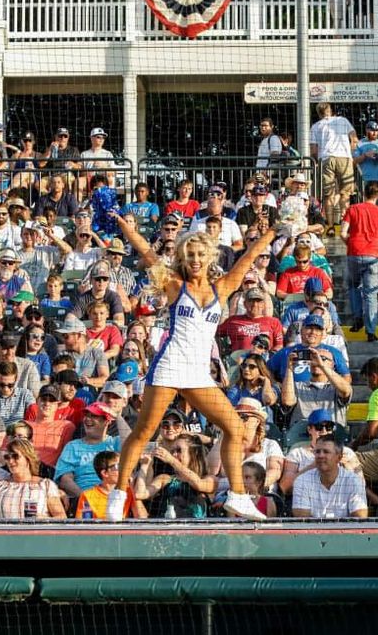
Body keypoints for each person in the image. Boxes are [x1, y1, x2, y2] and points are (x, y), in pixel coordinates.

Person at [104, 208, 278, 522]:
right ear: (184, 256)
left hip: (199, 375)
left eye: (201, 253)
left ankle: (237, 496)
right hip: (169, 367)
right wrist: (124, 226)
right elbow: (145, 250)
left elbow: (247, 259)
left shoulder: (222, 288)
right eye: (191, 254)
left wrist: (270, 233)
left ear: (209, 255)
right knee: (143, 431)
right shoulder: (174, 284)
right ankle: (119, 494)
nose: (196, 259)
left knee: (236, 428)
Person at [341, 179, 378, 341]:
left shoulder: (353, 209)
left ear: (364, 193)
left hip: (354, 253)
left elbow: (343, 232)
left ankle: (357, 318)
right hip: (374, 255)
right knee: (371, 294)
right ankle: (371, 331)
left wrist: (350, 244)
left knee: (354, 285)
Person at [0, 437, 66, 519]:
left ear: (28, 458)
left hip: (37, 532)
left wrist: (43, 519)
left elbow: (61, 517)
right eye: (7, 457)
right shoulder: (0, 487)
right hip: (7, 532)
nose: (10, 461)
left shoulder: (45, 485)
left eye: (15, 456)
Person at [133, 433, 215, 518]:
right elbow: (140, 494)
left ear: (193, 454)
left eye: (179, 450)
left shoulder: (210, 479)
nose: (174, 454)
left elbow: (199, 484)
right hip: (168, 529)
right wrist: (145, 465)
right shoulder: (164, 479)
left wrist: (172, 460)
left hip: (199, 530)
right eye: (172, 451)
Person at [291, 434, 367, 519]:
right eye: (317, 451)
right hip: (312, 531)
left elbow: (360, 518)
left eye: (326, 452)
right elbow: (302, 520)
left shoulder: (354, 481)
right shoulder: (302, 480)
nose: (320, 455)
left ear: (339, 457)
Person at [310, 102, 358, 234]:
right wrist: (351, 152)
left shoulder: (315, 126)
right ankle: (345, 224)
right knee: (345, 193)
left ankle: (330, 226)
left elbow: (313, 150)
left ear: (319, 113)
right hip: (344, 157)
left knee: (328, 195)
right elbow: (354, 139)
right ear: (330, 110)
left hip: (326, 158)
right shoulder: (342, 120)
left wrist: (316, 160)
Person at [75, 450, 138, 519]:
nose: (123, 470)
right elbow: (84, 523)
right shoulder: (88, 495)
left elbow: (142, 519)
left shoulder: (128, 491)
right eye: (118, 466)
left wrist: (133, 489)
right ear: (105, 473)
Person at [352, 122, 378, 201]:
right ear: (367, 130)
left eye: (376, 131)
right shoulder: (359, 143)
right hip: (364, 180)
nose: (375, 133)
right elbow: (353, 162)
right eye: (372, 130)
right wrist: (365, 155)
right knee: (363, 205)